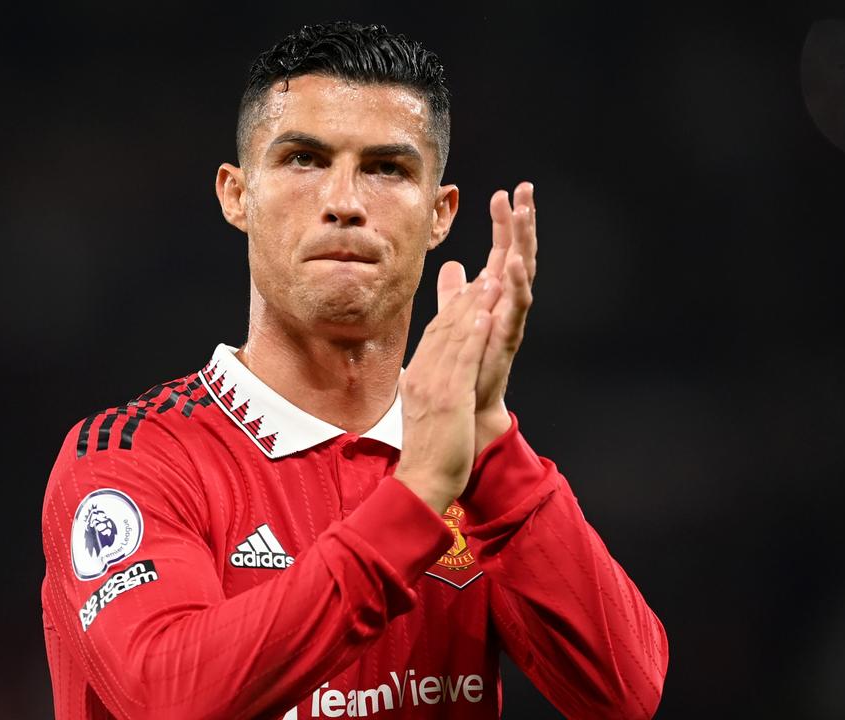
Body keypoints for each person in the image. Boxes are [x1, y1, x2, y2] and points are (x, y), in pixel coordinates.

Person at [41, 21, 668, 719]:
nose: (344, 201)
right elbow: (170, 697)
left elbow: (625, 695)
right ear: (236, 195)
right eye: (304, 159)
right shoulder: (130, 461)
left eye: (386, 168)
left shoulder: (469, 460)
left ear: (440, 214)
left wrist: (494, 443)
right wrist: (416, 498)